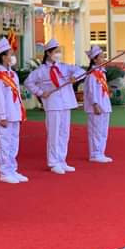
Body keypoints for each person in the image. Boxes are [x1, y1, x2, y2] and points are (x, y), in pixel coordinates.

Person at [25, 39, 85, 175]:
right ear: (48, 53)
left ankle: (62, 160)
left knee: (64, 133)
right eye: (56, 52)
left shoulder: (64, 67)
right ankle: (53, 162)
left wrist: (75, 77)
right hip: (52, 104)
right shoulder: (40, 71)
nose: (58, 54)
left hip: (66, 103)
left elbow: (81, 70)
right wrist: (40, 92)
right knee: (54, 134)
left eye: (59, 51)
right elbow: (29, 82)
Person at [0, 38, 27, 184]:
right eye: (10, 54)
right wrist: (2, 116)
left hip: (15, 113)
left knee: (13, 143)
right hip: (4, 116)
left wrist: (20, 112)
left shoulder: (13, 74)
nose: (13, 56)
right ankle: (4, 172)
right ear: (3, 57)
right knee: (4, 143)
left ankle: (12, 169)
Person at [83, 45, 113, 163]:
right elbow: (91, 91)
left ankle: (101, 152)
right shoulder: (92, 74)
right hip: (96, 107)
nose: (103, 59)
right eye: (100, 57)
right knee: (96, 131)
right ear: (94, 59)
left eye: (103, 56)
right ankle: (95, 154)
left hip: (105, 105)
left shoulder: (102, 73)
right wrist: (95, 105)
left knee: (103, 131)